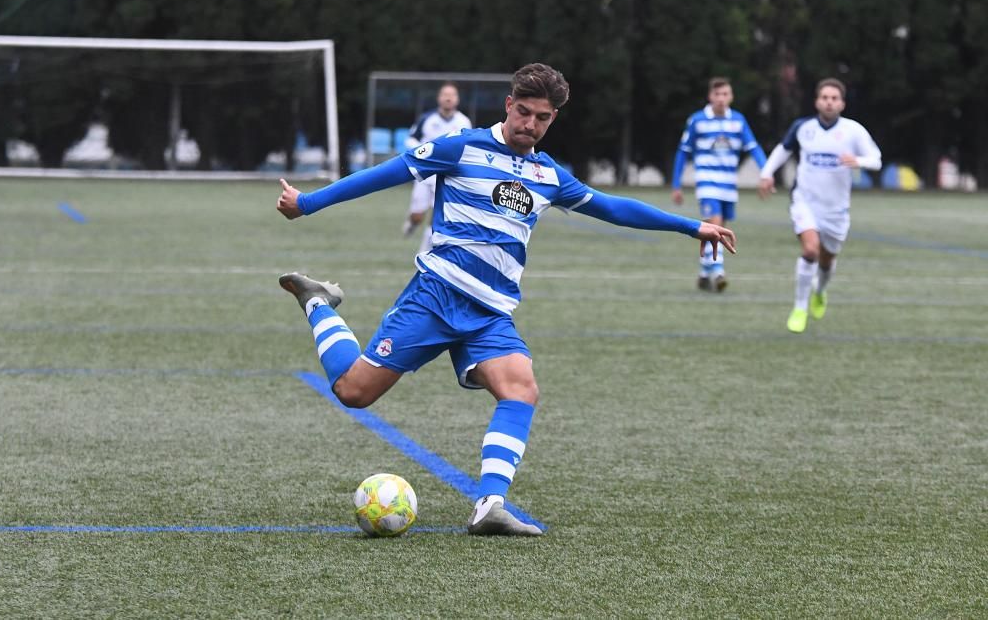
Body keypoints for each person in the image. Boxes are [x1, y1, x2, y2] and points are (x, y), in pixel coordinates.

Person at [276, 63, 736, 536]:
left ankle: (489, 504)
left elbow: (613, 207)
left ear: (552, 119)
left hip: (491, 312)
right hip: (435, 296)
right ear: (508, 105)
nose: (530, 125)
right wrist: (308, 203)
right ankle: (317, 303)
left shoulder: (548, 174)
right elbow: (383, 175)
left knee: (521, 388)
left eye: (542, 118)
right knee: (354, 393)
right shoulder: (461, 147)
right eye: (524, 113)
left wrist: (690, 225)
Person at [757, 77, 881, 333]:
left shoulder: (853, 130)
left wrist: (858, 161)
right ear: (816, 101)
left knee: (826, 261)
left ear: (842, 104)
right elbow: (783, 150)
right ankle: (800, 307)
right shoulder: (803, 128)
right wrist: (767, 173)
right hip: (805, 201)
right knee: (811, 250)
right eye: (824, 97)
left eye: (834, 98)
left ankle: (820, 291)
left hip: (836, 208)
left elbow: (876, 159)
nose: (829, 102)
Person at [671, 77, 767, 292]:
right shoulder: (697, 120)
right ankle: (718, 272)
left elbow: (753, 147)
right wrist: (676, 184)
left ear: (731, 97)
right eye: (717, 94)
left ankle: (704, 272)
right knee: (714, 222)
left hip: (729, 185)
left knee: (720, 228)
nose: (721, 99)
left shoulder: (738, 121)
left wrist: (766, 173)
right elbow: (683, 153)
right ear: (710, 96)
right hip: (707, 183)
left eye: (725, 94)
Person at [402, 82, 472, 253]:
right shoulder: (427, 119)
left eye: (452, 95)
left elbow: (468, 147)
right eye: (445, 94)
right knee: (418, 215)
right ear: (439, 98)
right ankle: (411, 223)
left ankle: (424, 252)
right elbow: (410, 140)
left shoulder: (464, 122)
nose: (448, 98)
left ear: (457, 99)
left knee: (436, 216)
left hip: (447, 176)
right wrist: (423, 151)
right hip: (425, 175)